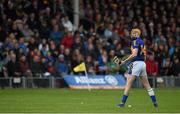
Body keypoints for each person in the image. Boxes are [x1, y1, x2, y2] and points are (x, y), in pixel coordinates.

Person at [113, 28, 158, 107]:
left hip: (137, 64)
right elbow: (144, 56)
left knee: (128, 84)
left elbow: (134, 54)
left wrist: (124, 61)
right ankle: (154, 102)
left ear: (137, 34)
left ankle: (122, 103)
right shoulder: (142, 42)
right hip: (143, 64)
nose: (132, 35)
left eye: (133, 33)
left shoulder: (135, 41)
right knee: (147, 85)